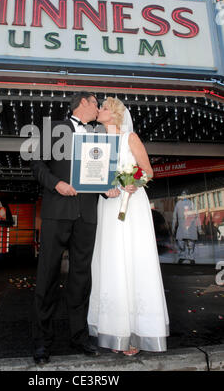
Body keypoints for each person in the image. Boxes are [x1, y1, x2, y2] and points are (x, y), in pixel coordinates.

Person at [30, 92, 118, 364]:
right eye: (96, 103)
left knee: (81, 279)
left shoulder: (98, 134)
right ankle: (42, 342)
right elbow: (36, 163)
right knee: (47, 276)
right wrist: (56, 184)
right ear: (83, 103)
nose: (99, 108)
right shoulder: (53, 128)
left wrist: (108, 189)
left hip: (86, 215)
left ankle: (78, 337)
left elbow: (100, 172)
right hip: (57, 212)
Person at [88, 97, 169, 355]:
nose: (99, 110)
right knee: (110, 262)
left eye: (103, 107)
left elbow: (148, 171)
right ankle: (115, 331)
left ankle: (135, 333)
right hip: (108, 205)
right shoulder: (97, 141)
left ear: (113, 113)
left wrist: (132, 181)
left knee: (132, 259)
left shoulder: (130, 137)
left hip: (130, 204)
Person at [172, 190, 200, 264]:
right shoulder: (180, 204)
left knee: (189, 242)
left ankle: (189, 256)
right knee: (182, 241)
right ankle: (185, 255)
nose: (184, 196)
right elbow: (174, 216)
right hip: (183, 226)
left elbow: (196, 216)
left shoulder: (191, 203)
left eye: (185, 195)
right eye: (183, 195)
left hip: (189, 225)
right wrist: (173, 226)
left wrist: (199, 227)